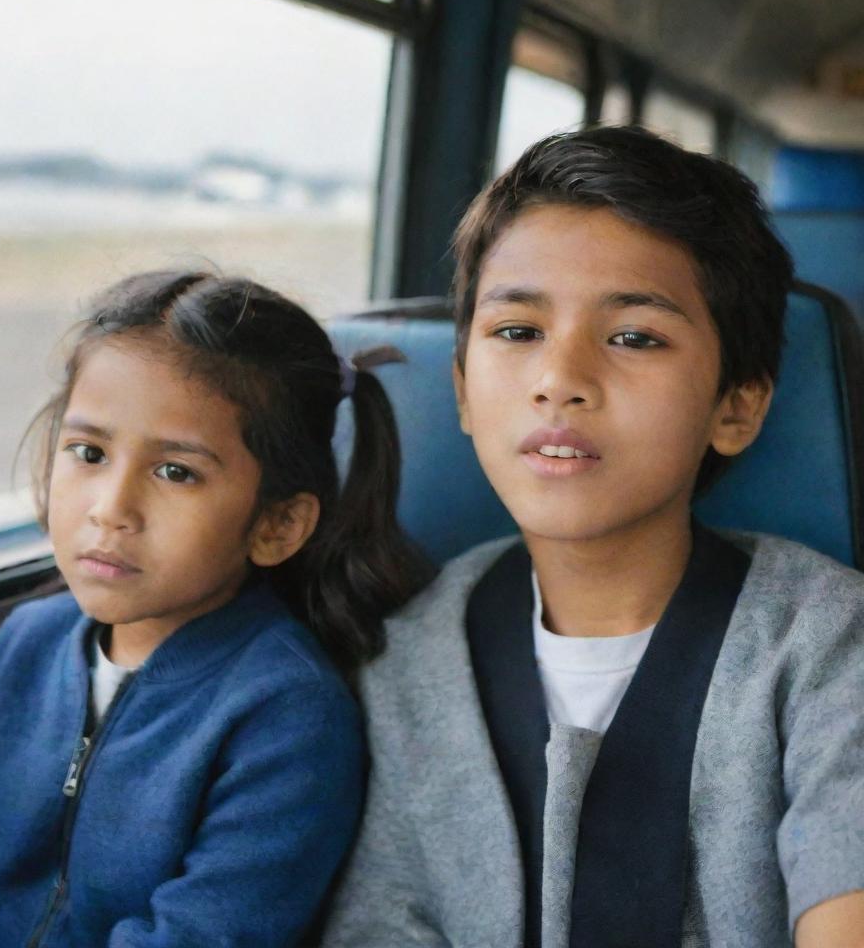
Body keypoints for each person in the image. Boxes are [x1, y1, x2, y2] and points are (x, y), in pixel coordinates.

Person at [323, 126, 864, 948]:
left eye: (635, 337)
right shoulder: (409, 657)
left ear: (737, 406)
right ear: (463, 389)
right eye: (516, 332)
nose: (560, 380)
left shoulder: (828, 644)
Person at [0, 270, 430, 947]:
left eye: (175, 472)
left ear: (277, 525)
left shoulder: (286, 712)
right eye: (88, 453)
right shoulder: (27, 644)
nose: (111, 508)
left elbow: (205, 935)